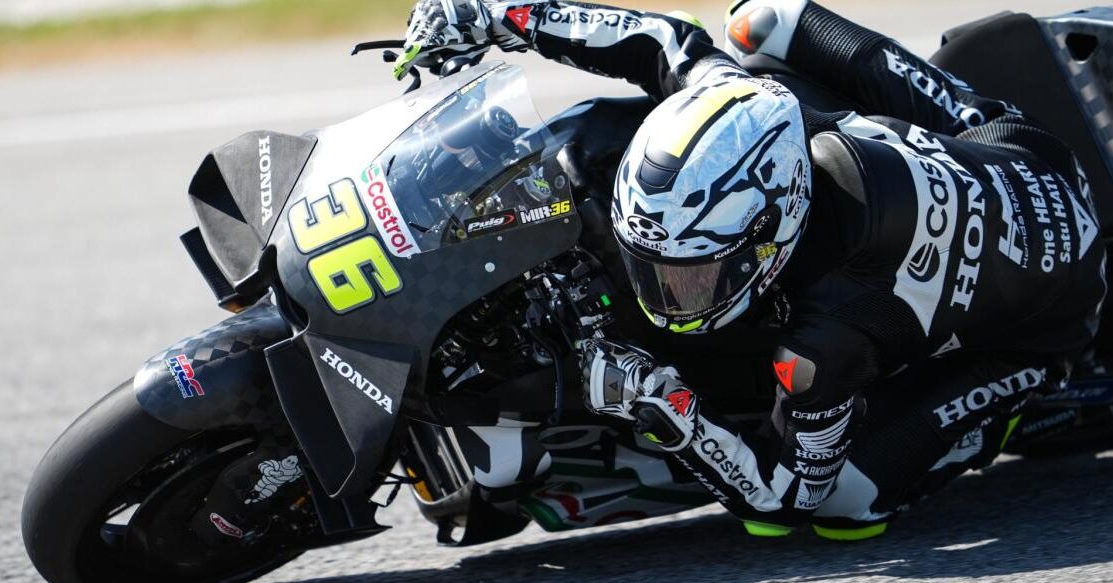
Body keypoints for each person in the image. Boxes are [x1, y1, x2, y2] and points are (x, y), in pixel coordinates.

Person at [393, 0, 1107, 539]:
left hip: (1050, 322)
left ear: (771, 238)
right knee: (764, 18)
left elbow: (783, 499)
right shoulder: (745, 101)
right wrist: (500, 13)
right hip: (1012, 143)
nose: (663, 293)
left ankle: (1016, 411)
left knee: (846, 505)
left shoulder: (826, 343)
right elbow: (663, 41)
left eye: (689, 276)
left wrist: (664, 403)